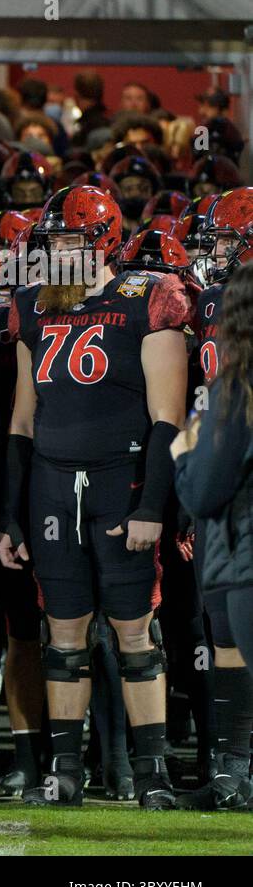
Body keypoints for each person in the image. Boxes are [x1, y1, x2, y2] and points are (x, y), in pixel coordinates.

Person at [0, 184, 191, 809]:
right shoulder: (33, 306)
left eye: (74, 240)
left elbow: (167, 419)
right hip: (53, 486)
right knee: (63, 632)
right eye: (55, 241)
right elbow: (22, 422)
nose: (62, 252)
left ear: (104, 240)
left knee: (135, 632)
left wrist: (151, 508)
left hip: (120, 482)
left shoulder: (149, 298)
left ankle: (153, 770)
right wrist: (9, 514)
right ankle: (64, 769)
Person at [174, 253, 253, 810]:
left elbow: (203, 492)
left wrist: (183, 454)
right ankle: (232, 777)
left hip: (243, 552)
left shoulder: (238, 390)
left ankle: (232, 777)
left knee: (233, 649)